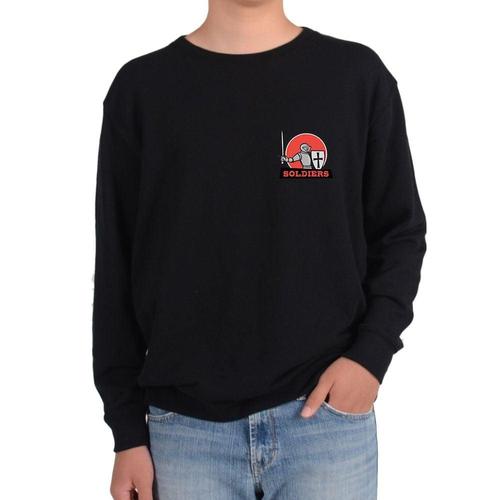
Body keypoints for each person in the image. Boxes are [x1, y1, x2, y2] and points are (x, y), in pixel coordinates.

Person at [92, 1, 426, 499]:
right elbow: (116, 268)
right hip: (183, 432)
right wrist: (127, 432)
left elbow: (400, 233)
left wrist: (370, 356)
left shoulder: (355, 77)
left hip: (324, 421)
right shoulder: (142, 89)